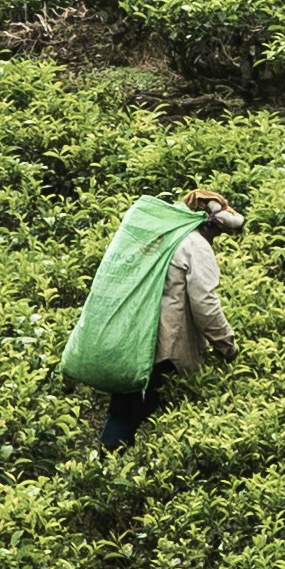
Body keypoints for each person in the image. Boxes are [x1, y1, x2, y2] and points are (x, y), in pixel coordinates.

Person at [63, 191, 238, 454]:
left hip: (132, 338)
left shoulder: (159, 236)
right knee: (168, 420)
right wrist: (227, 346)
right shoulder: (195, 245)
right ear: (209, 224)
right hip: (165, 349)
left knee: (123, 411)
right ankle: (133, 478)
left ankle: (105, 471)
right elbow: (206, 305)